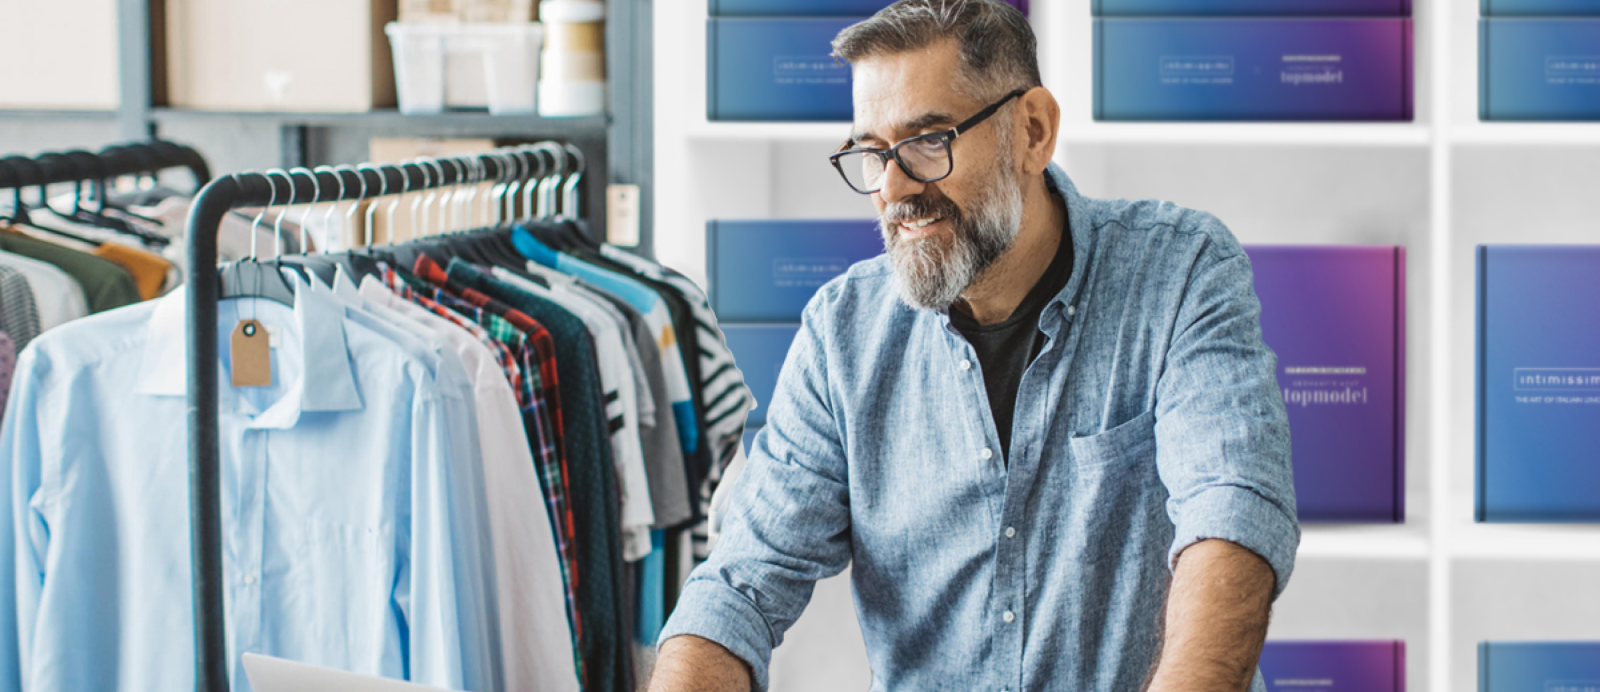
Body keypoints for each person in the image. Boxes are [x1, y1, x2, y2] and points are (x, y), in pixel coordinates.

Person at [650, 1, 1300, 690]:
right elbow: (740, 585)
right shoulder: (842, 336)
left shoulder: (1181, 272)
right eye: (871, 152)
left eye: (930, 141)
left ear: (1034, 131)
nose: (894, 188)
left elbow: (1229, 514)